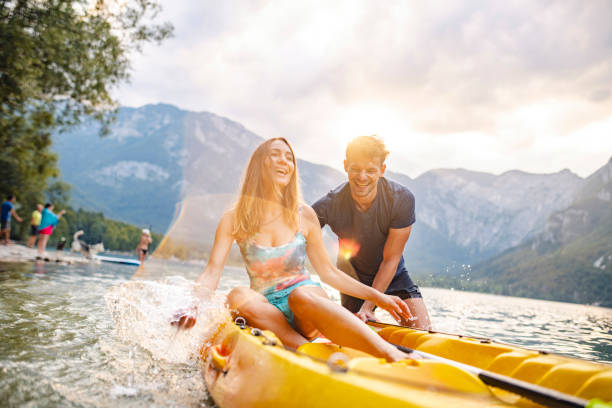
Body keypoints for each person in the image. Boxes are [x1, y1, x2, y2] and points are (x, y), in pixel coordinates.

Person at [175, 138, 414, 362]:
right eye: (275, 155)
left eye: (289, 157)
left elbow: (328, 272)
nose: (284, 161)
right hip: (264, 311)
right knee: (236, 295)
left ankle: (390, 354)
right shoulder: (234, 218)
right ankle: (307, 352)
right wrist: (192, 304)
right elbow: (212, 272)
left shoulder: (305, 215)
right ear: (259, 164)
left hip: (307, 306)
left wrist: (377, 297)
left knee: (299, 295)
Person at [312, 135, 432, 330]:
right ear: (345, 166)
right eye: (356, 169)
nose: (362, 177)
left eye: (370, 170)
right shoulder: (329, 205)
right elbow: (293, 237)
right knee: (358, 332)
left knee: (424, 330)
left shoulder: (401, 199)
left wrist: (369, 307)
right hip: (353, 278)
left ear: (382, 170)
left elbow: (391, 259)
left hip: (393, 273)